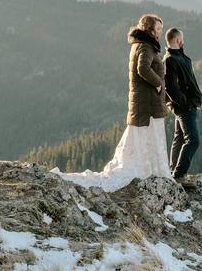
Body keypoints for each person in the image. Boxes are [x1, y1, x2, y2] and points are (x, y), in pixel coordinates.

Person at [51, 14, 172, 191]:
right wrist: (159, 84)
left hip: (146, 102)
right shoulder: (146, 46)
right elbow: (142, 68)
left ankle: (148, 168)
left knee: (142, 138)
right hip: (146, 104)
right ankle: (148, 169)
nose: (160, 32)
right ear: (150, 29)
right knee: (146, 136)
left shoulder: (143, 44)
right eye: (158, 28)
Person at [163, 27, 202, 186]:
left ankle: (173, 170)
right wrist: (186, 103)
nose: (183, 41)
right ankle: (179, 175)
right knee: (193, 140)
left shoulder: (179, 57)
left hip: (186, 104)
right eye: (182, 38)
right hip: (184, 106)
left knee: (179, 138)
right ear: (178, 40)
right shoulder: (170, 59)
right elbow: (171, 87)